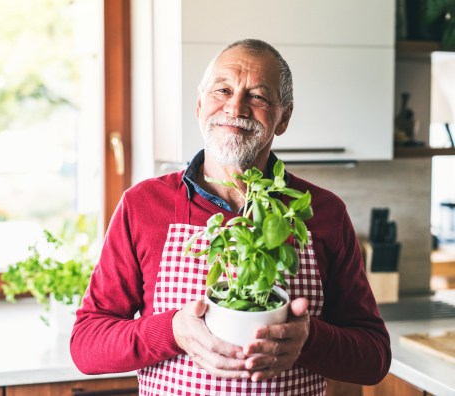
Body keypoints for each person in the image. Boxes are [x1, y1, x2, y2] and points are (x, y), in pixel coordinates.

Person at [70, 38, 391, 395]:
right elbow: (86, 345)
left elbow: (374, 356)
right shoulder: (143, 205)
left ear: (283, 117)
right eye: (222, 90)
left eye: (257, 96)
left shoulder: (323, 212)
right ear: (199, 104)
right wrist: (173, 330)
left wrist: (309, 338)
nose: (235, 107)